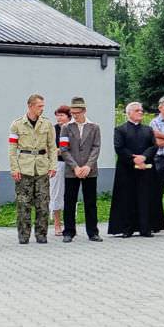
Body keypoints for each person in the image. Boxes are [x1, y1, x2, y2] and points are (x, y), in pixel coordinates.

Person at [9, 94, 57, 244]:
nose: (42, 108)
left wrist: (53, 165)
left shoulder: (47, 124)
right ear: (30, 106)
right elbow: (12, 149)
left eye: (43, 106)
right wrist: (14, 168)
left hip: (42, 168)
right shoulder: (17, 124)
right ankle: (23, 235)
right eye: (39, 106)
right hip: (24, 168)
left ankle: (41, 235)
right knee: (23, 204)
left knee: (43, 203)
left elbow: (52, 147)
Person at [109, 102, 162, 238]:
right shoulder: (120, 129)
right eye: (137, 110)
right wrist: (134, 159)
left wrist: (144, 157)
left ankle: (146, 227)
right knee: (127, 198)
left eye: (141, 110)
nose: (141, 112)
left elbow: (154, 146)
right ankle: (127, 228)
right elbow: (119, 147)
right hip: (127, 170)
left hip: (145, 169)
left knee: (145, 197)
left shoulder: (148, 130)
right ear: (129, 113)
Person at [59, 97, 102, 242]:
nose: (75, 115)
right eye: (73, 112)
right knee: (69, 201)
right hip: (72, 170)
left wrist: (88, 165)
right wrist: (75, 167)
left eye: (77, 112)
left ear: (84, 111)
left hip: (90, 170)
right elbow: (64, 149)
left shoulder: (94, 127)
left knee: (90, 202)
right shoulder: (66, 127)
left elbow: (96, 147)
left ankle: (93, 232)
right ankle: (69, 231)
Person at [50, 105, 71, 236]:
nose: (59, 117)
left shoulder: (72, 128)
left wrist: (61, 151)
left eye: (62, 115)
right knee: (56, 193)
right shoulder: (53, 130)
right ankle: (57, 223)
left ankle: (69, 223)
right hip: (57, 164)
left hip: (71, 164)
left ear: (68, 116)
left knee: (70, 194)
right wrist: (61, 151)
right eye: (57, 115)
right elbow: (50, 149)